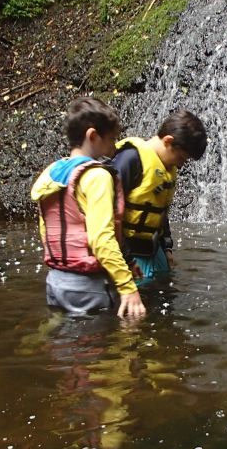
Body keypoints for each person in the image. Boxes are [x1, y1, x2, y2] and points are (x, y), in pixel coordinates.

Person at [30, 96, 145, 318]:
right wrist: (127, 287)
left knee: (66, 344)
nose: (115, 146)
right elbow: (102, 239)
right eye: (112, 139)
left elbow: (47, 230)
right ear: (93, 136)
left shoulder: (51, 173)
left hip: (56, 282)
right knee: (104, 347)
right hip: (89, 286)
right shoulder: (97, 177)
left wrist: (128, 262)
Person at [112, 110, 207, 282]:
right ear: (168, 141)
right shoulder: (130, 159)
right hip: (129, 254)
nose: (180, 165)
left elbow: (159, 211)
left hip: (154, 251)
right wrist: (126, 260)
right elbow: (108, 215)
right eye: (181, 158)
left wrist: (167, 248)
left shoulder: (166, 168)